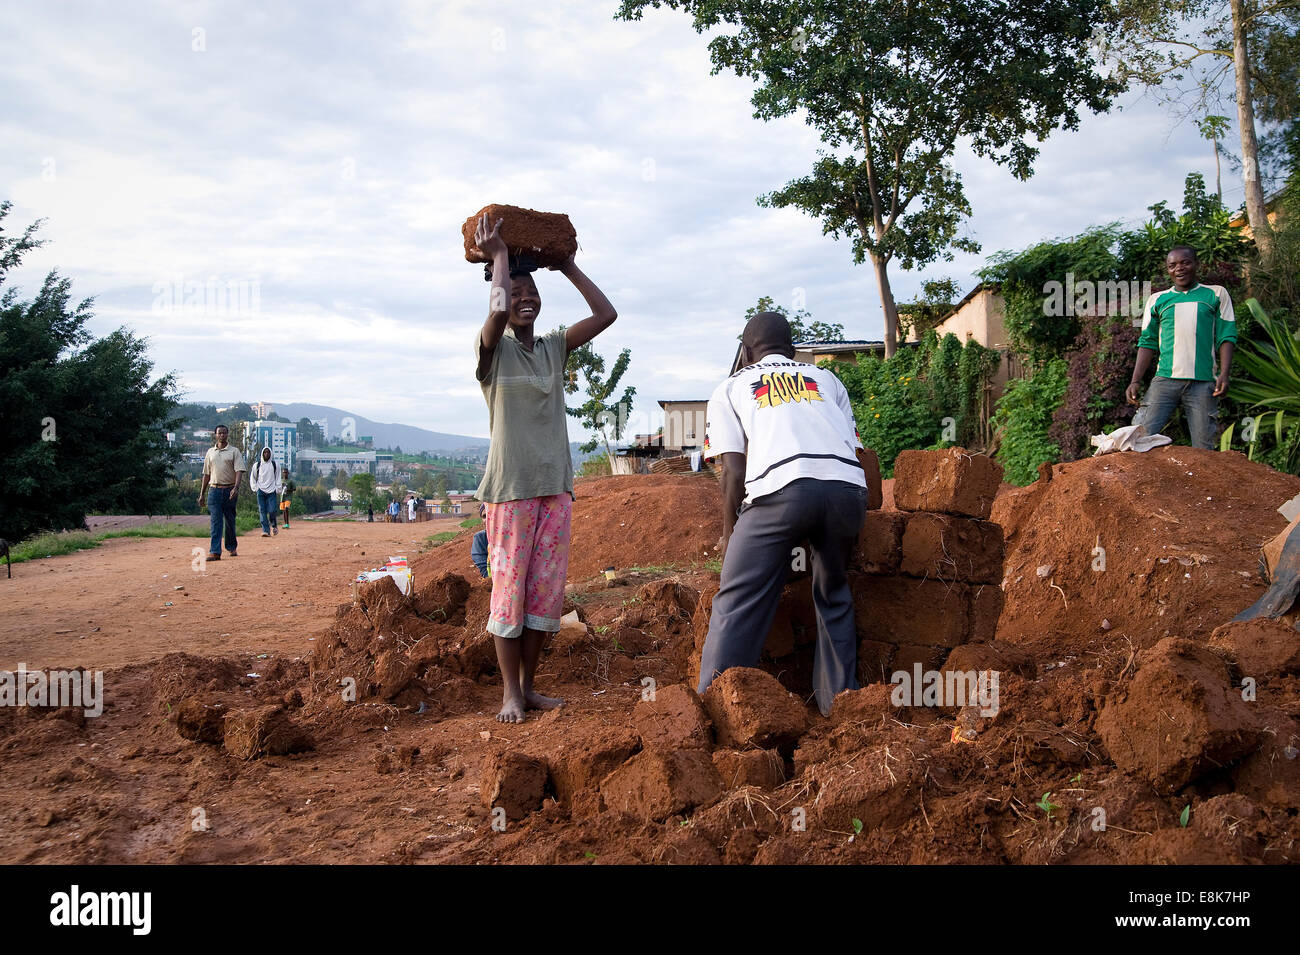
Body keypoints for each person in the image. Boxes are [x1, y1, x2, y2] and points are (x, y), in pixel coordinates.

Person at [473, 212, 617, 723]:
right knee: (507, 596)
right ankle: (509, 692)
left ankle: (529, 687)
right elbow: (492, 318)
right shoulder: (493, 352)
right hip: (510, 492)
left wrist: (570, 267)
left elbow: (606, 315)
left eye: (530, 292)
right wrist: (501, 260)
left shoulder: (554, 348)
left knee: (542, 599)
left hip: (555, 490)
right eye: (515, 294)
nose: (524, 298)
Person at [697, 312, 868, 716]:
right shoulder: (828, 380)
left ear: (745, 351)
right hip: (846, 493)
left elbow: (733, 471)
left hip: (782, 494)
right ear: (792, 349)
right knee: (834, 593)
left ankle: (714, 709)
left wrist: (730, 534)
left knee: (739, 599)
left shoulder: (732, 386)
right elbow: (857, 451)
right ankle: (840, 707)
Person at [1127, 246, 1236, 450]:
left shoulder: (1216, 294)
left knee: (1204, 449)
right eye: (1172, 265)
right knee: (1139, 438)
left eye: (1185, 262)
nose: (1179, 268)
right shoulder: (1157, 299)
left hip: (1203, 383)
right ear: (1167, 270)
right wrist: (1135, 380)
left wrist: (1224, 373)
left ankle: (1203, 482)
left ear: (1196, 264)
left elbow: (1227, 336)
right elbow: (1147, 342)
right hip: (1165, 380)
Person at [197, 425, 246, 560]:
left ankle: (231, 547)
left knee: (230, 520)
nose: (222, 435)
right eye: (220, 433)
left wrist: (236, 488)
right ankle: (215, 551)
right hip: (214, 490)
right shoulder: (210, 452)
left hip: (229, 489)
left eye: (224, 433)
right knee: (216, 521)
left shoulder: (234, 451)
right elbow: (206, 474)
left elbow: (239, 471)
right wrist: (202, 494)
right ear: (215, 435)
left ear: (227, 434)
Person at [250, 447, 282, 537]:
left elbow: (278, 477)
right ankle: (266, 531)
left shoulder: (275, 465)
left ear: (271, 454)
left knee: (272, 510)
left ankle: (274, 525)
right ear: (262, 454)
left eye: (268, 452)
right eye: (264, 452)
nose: (266, 454)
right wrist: (255, 487)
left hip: (272, 491)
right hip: (261, 491)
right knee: (262, 510)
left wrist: (278, 488)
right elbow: (253, 477)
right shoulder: (257, 465)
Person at [471, 503, 489, 578]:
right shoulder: (480, 538)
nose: (488, 519)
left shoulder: (512, 536)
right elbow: (483, 566)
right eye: (484, 516)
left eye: (491, 514)